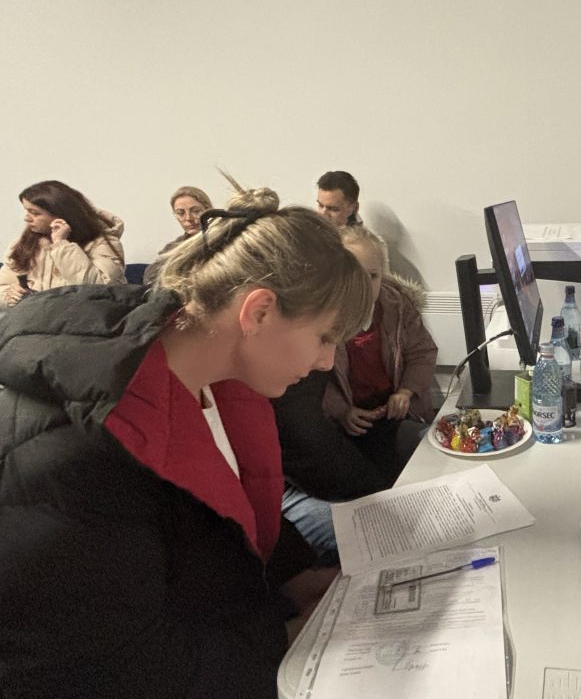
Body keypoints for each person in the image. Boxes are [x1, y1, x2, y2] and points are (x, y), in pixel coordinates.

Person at [0, 180, 373, 698]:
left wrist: (304, 579)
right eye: (324, 337)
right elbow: (119, 665)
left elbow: (224, 522)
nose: (326, 361)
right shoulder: (78, 456)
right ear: (258, 312)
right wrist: (292, 641)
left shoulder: (212, 380)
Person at [274, 225, 438, 561]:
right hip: (341, 434)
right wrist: (342, 412)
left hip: (387, 416)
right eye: (354, 277)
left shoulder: (397, 306)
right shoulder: (313, 327)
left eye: (372, 276)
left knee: (434, 451)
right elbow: (314, 403)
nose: (364, 286)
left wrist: (407, 391)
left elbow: (422, 352)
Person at [0, 180, 126, 306]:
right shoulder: (24, 244)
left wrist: (62, 245)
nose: (26, 218)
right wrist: (9, 296)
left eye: (35, 213)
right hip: (35, 315)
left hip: (83, 316)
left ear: (62, 215)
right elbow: (3, 286)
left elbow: (102, 289)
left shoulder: (102, 244)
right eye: (26, 211)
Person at [142, 185, 214, 285]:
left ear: (208, 210)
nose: (188, 218)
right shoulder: (173, 246)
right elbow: (150, 277)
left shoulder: (224, 238)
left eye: (195, 211)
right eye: (181, 213)